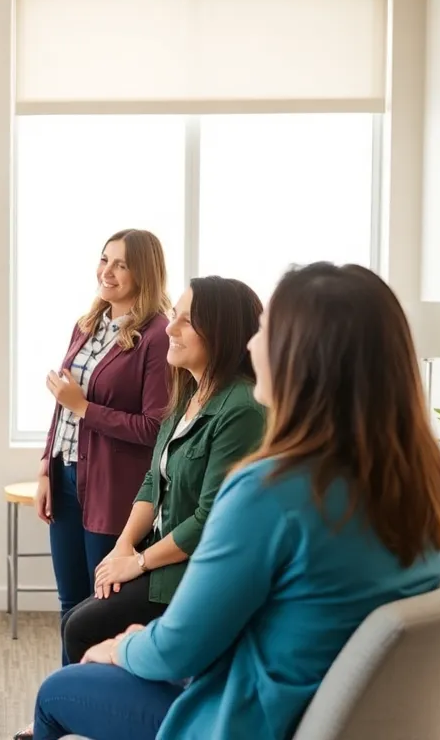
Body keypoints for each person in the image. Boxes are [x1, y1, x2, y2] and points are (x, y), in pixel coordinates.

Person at [31, 262, 440, 740]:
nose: (252, 345)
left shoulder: (270, 491)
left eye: (265, 331)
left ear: (303, 357)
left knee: (57, 692)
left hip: (242, 718)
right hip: (301, 703)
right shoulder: (408, 489)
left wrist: (124, 648)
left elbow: (180, 648)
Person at [62, 276, 266, 663]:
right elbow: (154, 480)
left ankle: (86, 713)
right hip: (158, 555)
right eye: (175, 315)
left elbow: (209, 519)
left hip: (192, 571)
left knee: (82, 627)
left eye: (186, 321)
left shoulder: (242, 408)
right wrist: (123, 546)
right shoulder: (189, 393)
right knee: (77, 617)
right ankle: (72, 713)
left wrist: (137, 562)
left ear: (221, 332)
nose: (170, 327)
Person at [36, 228, 172, 665]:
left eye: (121, 264)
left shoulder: (158, 334)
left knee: (99, 611)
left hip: (113, 490)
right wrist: (45, 467)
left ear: (144, 272)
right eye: (104, 259)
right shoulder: (88, 323)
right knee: (69, 603)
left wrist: (85, 408)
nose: (106, 271)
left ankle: (96, 708)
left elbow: (154, 428)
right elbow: (63, 404)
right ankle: (63, 711)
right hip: (66, 475)